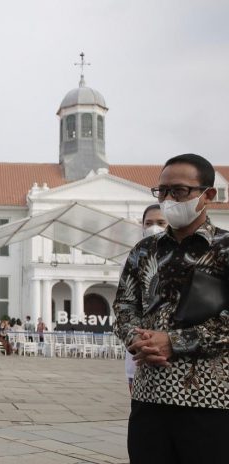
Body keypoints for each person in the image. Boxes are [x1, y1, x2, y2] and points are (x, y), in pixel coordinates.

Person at [113, 154, 229, 463]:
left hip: (211, 399)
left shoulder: (224, 248)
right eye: (162, 191)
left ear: (208, 195)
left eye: (179, 191)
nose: (168, 199)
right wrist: (138, 339)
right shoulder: (144, 251)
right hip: (150, 395)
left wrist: (174, 342)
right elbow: (124, 306)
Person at [124, 204, 168, 394]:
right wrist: (138, 340)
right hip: (139, 347)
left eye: (161, 222)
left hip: (173, 347)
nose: (154, 227)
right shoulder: (133, 259)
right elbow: (124, 307)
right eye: (148, 223)